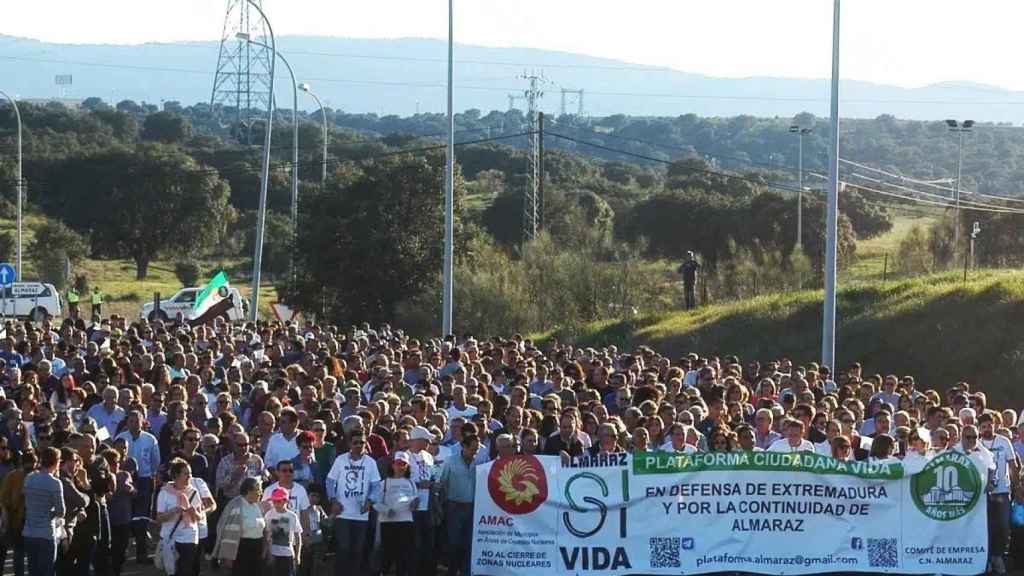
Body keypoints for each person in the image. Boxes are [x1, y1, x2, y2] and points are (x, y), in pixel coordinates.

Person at [325, 430, 380, 576]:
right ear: (349, 443)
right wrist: (333, 500)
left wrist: (370, 501)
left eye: (362, 442)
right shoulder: (341, 460)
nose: (358, 445)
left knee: (357, 550)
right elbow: (330, 481)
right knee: (344, 548)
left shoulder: (371, 463)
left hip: (361, 513)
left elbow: (376, 485)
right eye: (355, 442)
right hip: (343, 512)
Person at [113, 409, 160, 565]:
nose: (133, 424)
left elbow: (155, 462)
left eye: (136, 421)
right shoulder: (121, 438)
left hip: (144, 480)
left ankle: (142, 553)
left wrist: (150, 477)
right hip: (124, 480)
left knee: (142, 518)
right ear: (127, 422)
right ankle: (122, 552)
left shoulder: (150, 439)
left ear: (143, 422)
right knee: (126, 517)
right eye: (131, 421)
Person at [980, 412, 1019, 575]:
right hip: (983, 494)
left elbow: (1013, 465)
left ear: (995, 425)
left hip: (1003, 491)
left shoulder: (1004, 441)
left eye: (990, 425)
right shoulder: (977, 444)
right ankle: (986, 559)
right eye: (984, 426)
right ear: (979, 429)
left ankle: (997, 556)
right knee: (986, 527)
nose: (987, 428)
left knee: (1003, 527)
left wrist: (1016, 488)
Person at [437, 430, 480, 576]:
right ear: (464, 447)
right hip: (453, 506)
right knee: (454, 543)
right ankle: (452, 571)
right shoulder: (450, 461)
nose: (475, 452)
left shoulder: (479, 463)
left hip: (472, 507)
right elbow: (442, 483)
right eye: (473, 449)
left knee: (468, 544)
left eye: (477, 450)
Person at [155, 458, 202, 576]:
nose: (189, 477)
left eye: (190, 474)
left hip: (189, 536)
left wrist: (193, 512)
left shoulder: (194, 492)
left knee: (185, 570)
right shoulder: (164, 493)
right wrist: (174, 511)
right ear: (176, 475)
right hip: (170, 537)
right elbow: (159, 518)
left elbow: (200, 517)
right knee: (172, 571)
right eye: (186, 474)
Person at [22, 447, 64, 576]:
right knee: (47, 571)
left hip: (29, 532)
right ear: (56, 462)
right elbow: (61, 511)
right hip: (46, 533)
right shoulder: (55, 483)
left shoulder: (29, 478)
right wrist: (50, 514)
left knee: (33, 571)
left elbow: (25, 499)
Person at [376, 451, 418, 576]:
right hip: (388, 523)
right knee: (387, 555)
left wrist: (415, 504)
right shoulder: (384, 483)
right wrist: (386, 510)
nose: (400, 467)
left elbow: (415, 500)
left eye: (403, 464)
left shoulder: (410, 483)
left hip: (406, 522)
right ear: (392, 465)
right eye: (398, 463)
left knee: (404, 556)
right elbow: (375, 502)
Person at [213, 477, 265, 576]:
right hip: (241, 547)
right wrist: (228, 554)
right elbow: (224, 528)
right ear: (249, 490)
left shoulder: (258, 506)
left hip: (257, 546)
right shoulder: (235, 504)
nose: (260, 493)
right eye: (258, 490)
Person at [0, 449, 36, 576]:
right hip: (19, 520)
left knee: (24, 554)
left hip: (30, 520)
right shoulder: (14, 476)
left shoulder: (37, 477)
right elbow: (4, 499)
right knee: (20, 553)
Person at [265, 487, 303, 576]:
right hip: (273, 554)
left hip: (287, 554)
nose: (276, 504)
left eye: (278, 501)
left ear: (285, 501)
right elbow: (266, 536)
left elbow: (298, 536)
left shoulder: (292, 516)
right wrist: (268, 554)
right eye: (274, 501)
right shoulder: (269, 515)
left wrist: (298, 555)